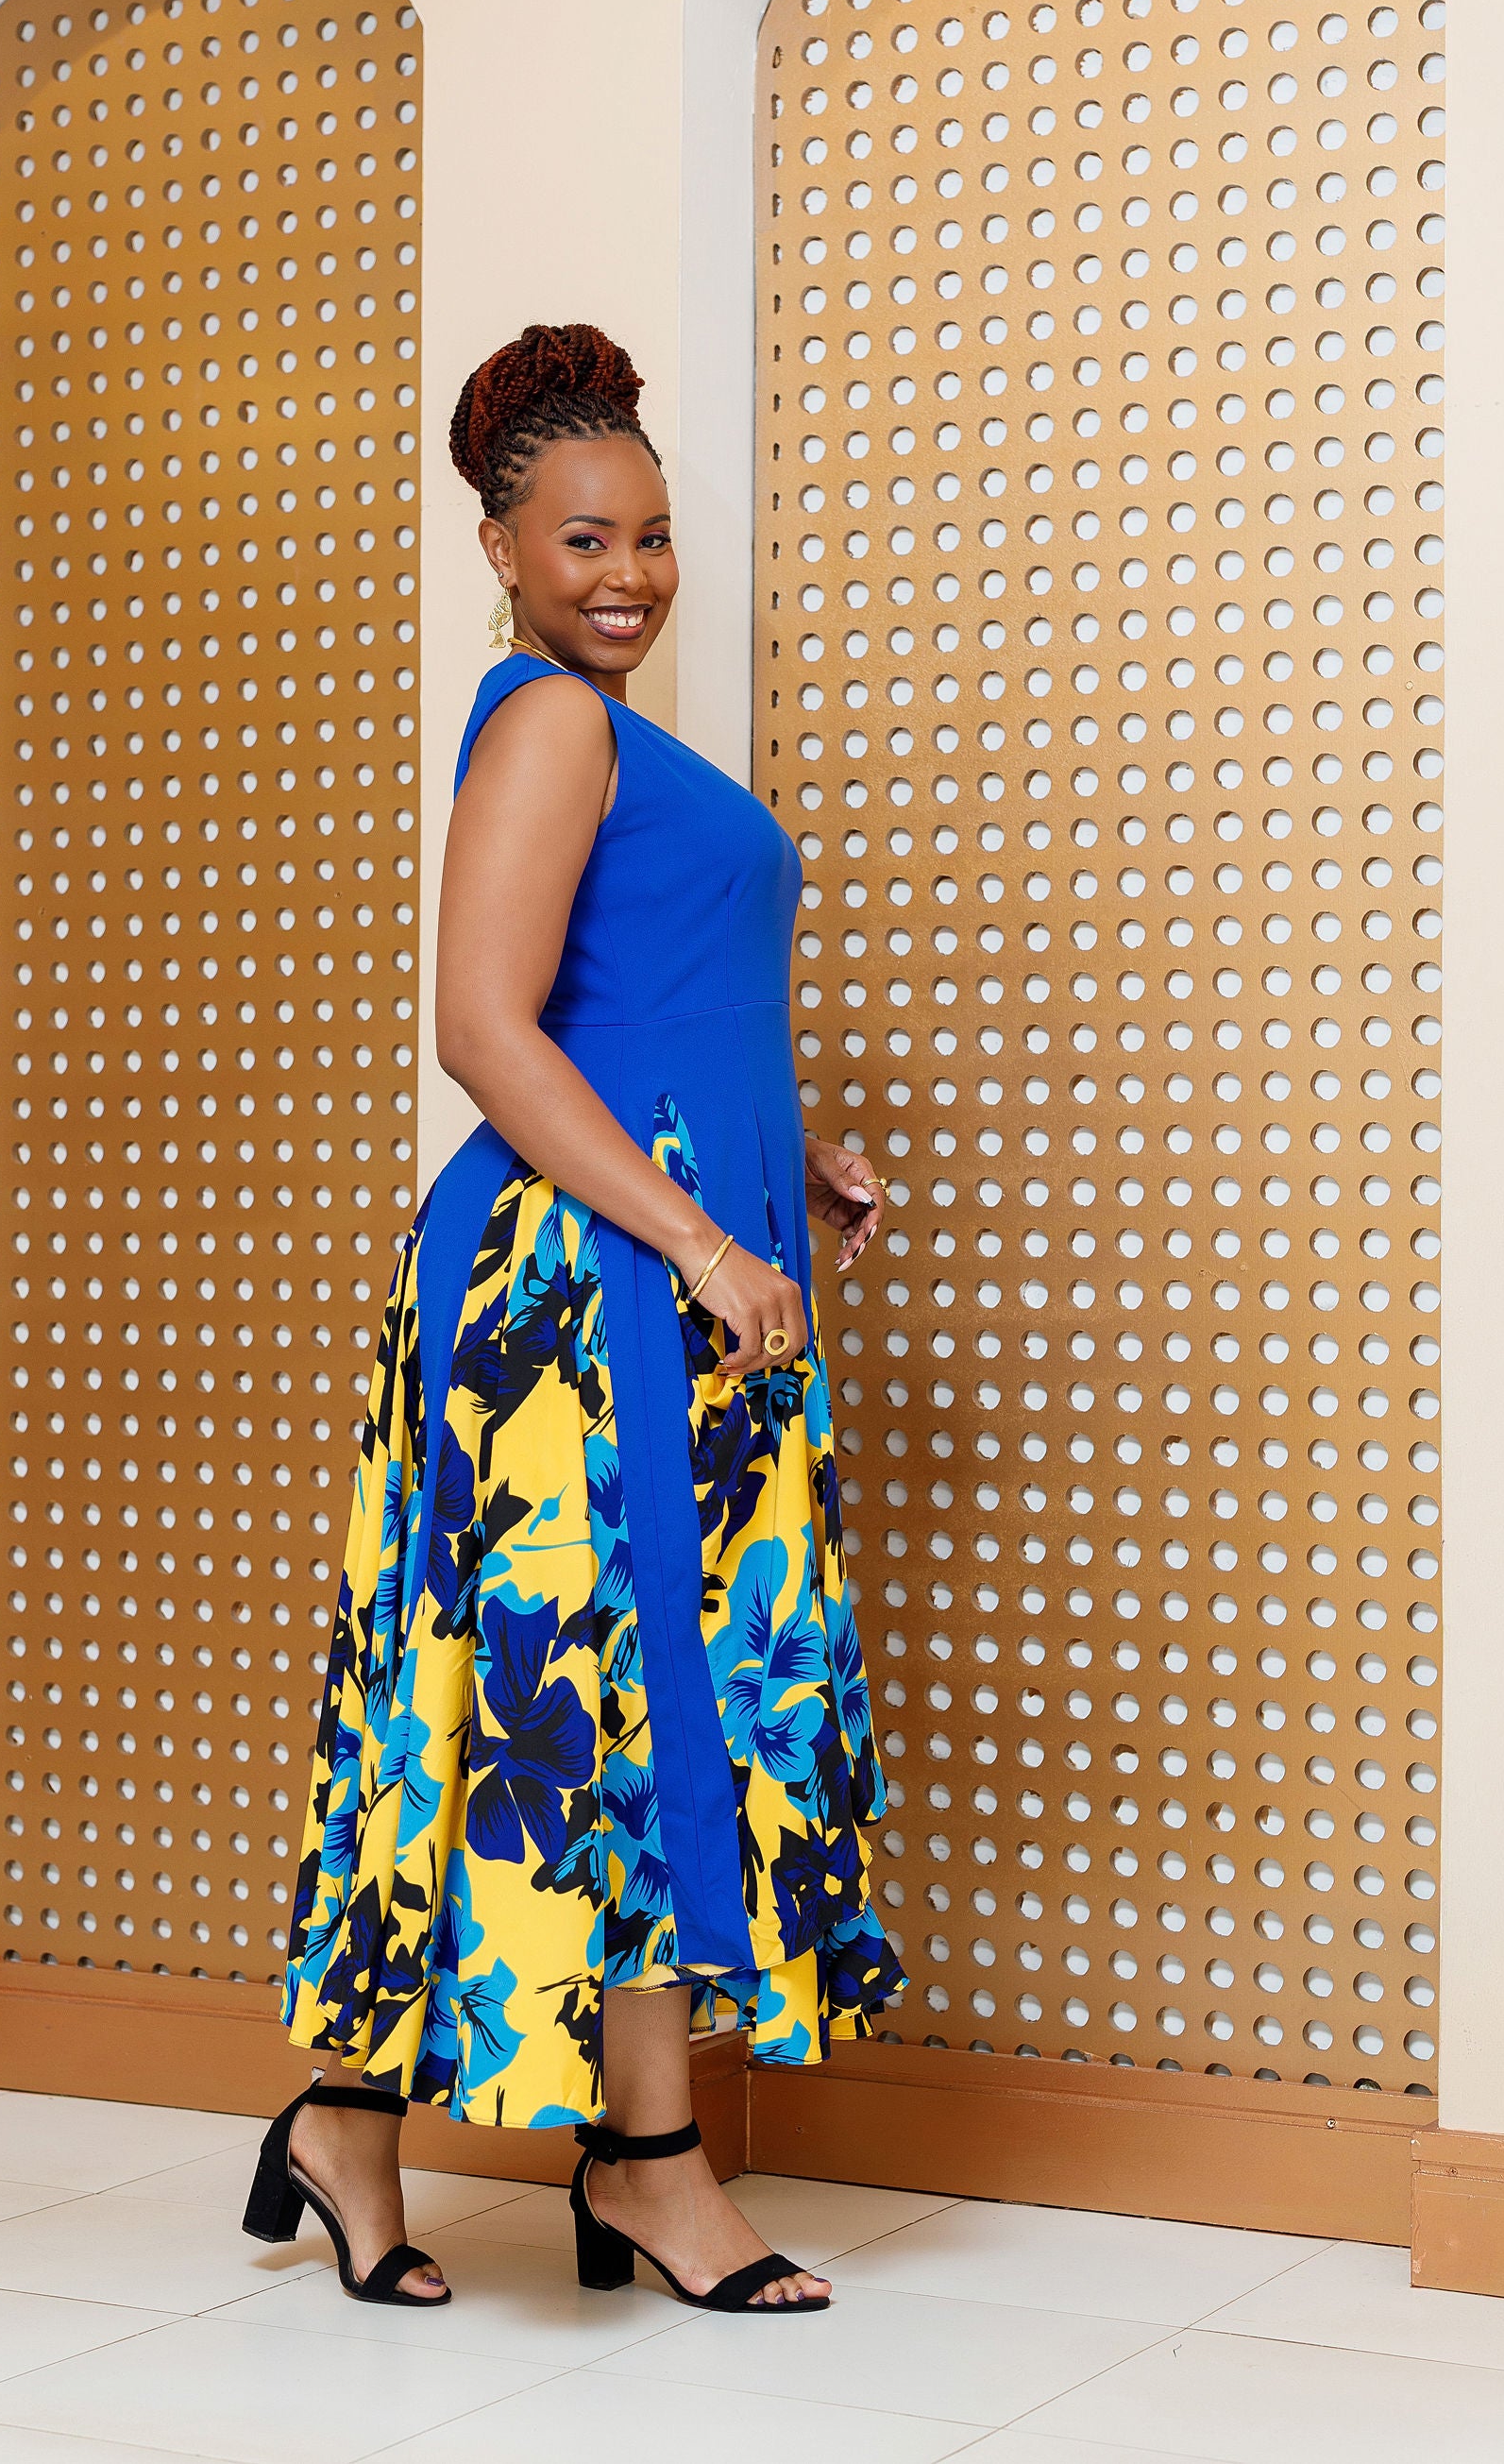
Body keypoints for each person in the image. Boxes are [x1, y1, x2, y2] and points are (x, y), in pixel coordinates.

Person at [244, 324, 904, 2313]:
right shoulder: (547, 722)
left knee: (595, 1698)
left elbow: (646, 1009)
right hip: (585, 1293)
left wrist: (792, 1158)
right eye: (583, 538)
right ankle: (646, 2160)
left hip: (661, 1266)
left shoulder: (610, 736)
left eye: (653, 536)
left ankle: (363, 2128)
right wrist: (700, 1238)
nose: (628, 573)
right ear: (502, 549)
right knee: (610, 1705)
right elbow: (483, 1024)